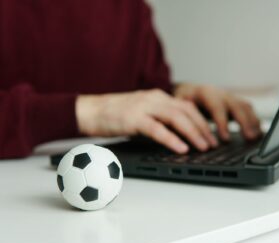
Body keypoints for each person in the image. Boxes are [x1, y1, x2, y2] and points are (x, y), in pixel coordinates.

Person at [0, 0, 261, 159]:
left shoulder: (131, 8)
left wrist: (177, 97)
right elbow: (114, 108)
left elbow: (142, 91)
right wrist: (90, 112)